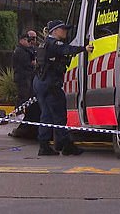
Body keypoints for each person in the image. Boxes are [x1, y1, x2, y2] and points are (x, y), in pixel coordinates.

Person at [34, 20, 93, 156]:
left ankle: (46, 145)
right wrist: (84, 48)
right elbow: (67, 49)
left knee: (47, 115)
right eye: (62, 29)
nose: (65, 31)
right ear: (54, 31)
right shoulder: (54, 44)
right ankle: (65, 145)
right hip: (50, 83)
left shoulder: (44, 43)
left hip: (40, 81)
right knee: (59, 115)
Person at [9, 31, 40, 139]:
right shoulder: (20, 51)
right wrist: (32, 63)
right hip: (22, 77)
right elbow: (26, 64)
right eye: (27, 40)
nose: (29, 42)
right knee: (23, 95)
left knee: (28, 96)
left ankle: (21, 112)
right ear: (22, 40)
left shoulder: (28, 50)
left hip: (28, 76)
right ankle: (19, 113)